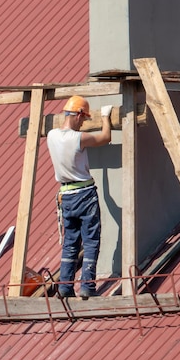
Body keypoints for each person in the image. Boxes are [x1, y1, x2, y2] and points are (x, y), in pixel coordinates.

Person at [46, 96, 112, 298]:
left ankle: (65, 287)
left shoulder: (51, 135)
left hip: (66, 196)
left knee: (70, 242)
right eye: (83, 119)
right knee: (91, 241)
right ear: (79, 114)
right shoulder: (79, 138)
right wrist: (105, 117)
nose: (83, 123)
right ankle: (87, 287)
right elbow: (105, 137)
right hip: (85, 193)